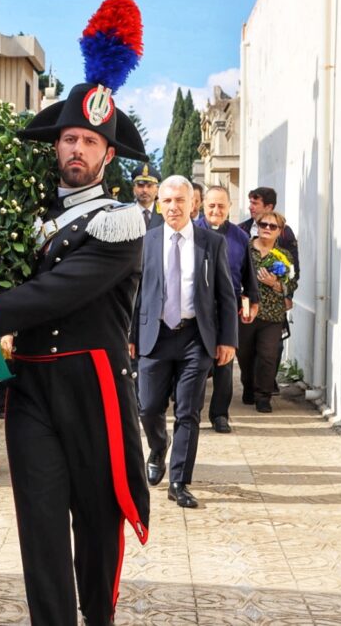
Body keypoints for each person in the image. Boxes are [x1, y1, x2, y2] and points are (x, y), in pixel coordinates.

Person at [0, 0, 152, 623]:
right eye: (69, 138)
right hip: (30, 392)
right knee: (41, 527)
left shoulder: (121, 224)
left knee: (96, 526)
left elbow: (52, 293)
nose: (76, 149)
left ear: (109, 155)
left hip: (94, 389)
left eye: (89, 141)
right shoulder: (28, 221)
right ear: (55, 146)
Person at [131, 175, 237, 509]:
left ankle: (179, 481)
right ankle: (158, 448)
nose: (173, 207)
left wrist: (227, 339)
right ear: (159, 204)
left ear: (193, 203)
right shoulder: (145, 242)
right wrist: (129, 336)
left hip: (195, 337)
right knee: (148, 407)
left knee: (188, 412)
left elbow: (226, 294)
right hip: (154, 336)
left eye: (180, 200)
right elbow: (134, 295)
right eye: (167, 201)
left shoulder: (210, 243)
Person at [196, 186, 260, 433]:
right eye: (211, 205)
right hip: (196, 308)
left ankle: (220, 414)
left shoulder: (240, 237)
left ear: (229, 207)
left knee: (224, 362)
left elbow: (248, 273)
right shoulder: (191, 231)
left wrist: (252, 299)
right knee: (196, 362)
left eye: (221, 206)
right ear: (203, 205)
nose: (216, 210)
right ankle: (190, 410)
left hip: (227, 307)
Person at [237, 210, 295, 413]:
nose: (267, 229)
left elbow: (292, 284)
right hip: (245, 312)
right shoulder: (244, 249)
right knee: (244, 354)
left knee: (268, 355)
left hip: (272, 314)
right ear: (257, 226)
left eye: (273, 226)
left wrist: (276, 284)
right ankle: (248, 385)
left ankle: (264, 395)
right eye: (263, 225)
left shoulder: (284, 256)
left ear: (280, 231)